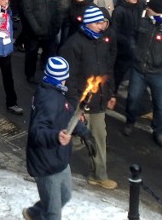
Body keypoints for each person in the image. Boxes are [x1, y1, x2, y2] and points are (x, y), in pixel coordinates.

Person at [23, 56, 95, 220]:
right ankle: (38, 214)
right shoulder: (49, 100)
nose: (66, 81)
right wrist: (56, 137)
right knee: (53, 214)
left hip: (58, 158)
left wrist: (85, 133)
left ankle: (33, 213)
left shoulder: (56, 94)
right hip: (46, 164)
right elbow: (37, 131)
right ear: (60, 79)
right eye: (65, 78)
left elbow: (68, 115)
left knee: (65, 196)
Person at [62, 6, 117, 189]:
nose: (103, 26)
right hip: (81, 102)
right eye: (99, 23)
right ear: (89, 24)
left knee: (99, 136)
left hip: (99, 100)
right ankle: (50, 160)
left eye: (103, 22)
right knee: (74, 139)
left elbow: (107, 69)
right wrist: (76, 104)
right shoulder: (73, 44)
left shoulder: (102, 41)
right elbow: (68, 78)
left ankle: (99, 175)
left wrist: (110, 93)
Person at [123, 0, 162, 147]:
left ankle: (158, 132)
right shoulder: (143, 22)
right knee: (132, 98)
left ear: (155, 11)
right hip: (139, 69)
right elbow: (133, 36)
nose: (146, 9)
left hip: (158, 72)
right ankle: (130, 121)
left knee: (159, 105)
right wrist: (134, 51)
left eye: (149, 7)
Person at [22, 0, 59, 84]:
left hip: (49, 31)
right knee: (32, 54)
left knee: (50, 54)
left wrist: (55, 26)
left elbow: (56, 10)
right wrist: (36, 28)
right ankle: (30, 75)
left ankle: (48, 74)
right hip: (35, 32)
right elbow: (28, 12)